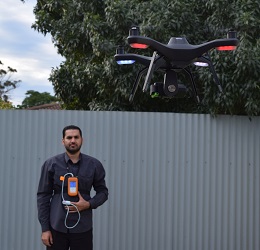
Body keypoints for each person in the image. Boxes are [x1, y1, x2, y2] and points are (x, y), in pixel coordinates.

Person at [37, 125, 108, 250]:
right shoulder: (51, 164)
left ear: (82, 140)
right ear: (63, 141)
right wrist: (45, 229)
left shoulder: (94, 165)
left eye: (76, 137)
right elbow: (43, 196)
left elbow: (103, 192)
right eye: (69, 137)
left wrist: (89, 204)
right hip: (56, 226)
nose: (73, 140)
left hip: (83, 227)